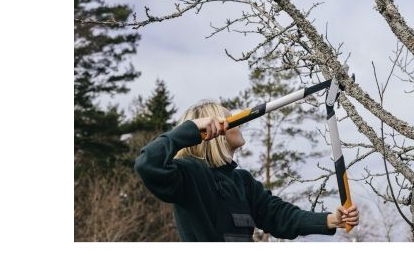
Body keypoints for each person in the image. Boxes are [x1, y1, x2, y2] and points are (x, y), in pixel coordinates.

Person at [134, 100, 359, 242]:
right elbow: (147, 164)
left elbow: (279, 215)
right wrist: (190, 129)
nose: (239, 123)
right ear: (211, 131)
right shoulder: (189, 173)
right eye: (231, 119)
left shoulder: (242, 181)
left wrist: (332, 220)